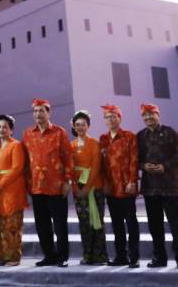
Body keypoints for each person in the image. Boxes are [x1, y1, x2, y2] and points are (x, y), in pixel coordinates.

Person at [22, 98, 74, 267]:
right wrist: (28, 183)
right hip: (37, 187)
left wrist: (68, 181)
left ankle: (62, 257)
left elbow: (68, 158)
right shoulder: (28, 134)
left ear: (49, 113)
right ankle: (49, 255)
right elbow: (25, 162)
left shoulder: (59, 132)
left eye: (41, 111)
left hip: (57, 186)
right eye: (35, 111)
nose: (38, 114)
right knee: (42, 225)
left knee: (60, 225)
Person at [138, 103, 178, 270]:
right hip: (150, 188)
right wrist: (143, 166)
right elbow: (135, 159)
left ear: (158, 114)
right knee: (155, 225)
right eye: (145, 115)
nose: (148, 118)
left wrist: (165, 166)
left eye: (151, 114)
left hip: (171, 187)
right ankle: (159, 257)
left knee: (176, 224)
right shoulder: (140, 136)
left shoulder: (170, 132)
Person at [99, 104, 140, 268]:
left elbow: (134, 160)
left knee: (131, 222)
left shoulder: (129, 136)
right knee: (116, 224)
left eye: (113, 116)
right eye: (107, 117)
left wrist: (132, 181)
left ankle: (134, 256)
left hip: (126, 186)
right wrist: (105, 184)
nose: (110, 120)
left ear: (119, 118)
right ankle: (120, 256)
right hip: (111, 188)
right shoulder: (103, 139)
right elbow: (101, 164)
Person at [0, 113, 26, 266]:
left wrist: (1, 183)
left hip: (12, 189)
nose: (1, 129)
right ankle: (2, 255)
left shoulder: (16, 145)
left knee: (12, 224)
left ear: (11, 130)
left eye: (5, 127)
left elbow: (17, 168)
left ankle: (14, 256)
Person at [70, 110, 107, 265]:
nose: (80, 127)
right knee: (84, 223)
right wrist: (76, 187)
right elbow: (70, 168)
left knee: (96, 222)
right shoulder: (71, 145)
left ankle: (100, 256)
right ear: (73, 126)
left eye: (83, 124)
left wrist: (87, 186)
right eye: (77, 125)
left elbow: (96, 166)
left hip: (94, 188)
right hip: (78, 189)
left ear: (88, 126)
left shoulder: (94, 143)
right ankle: (87, 255)